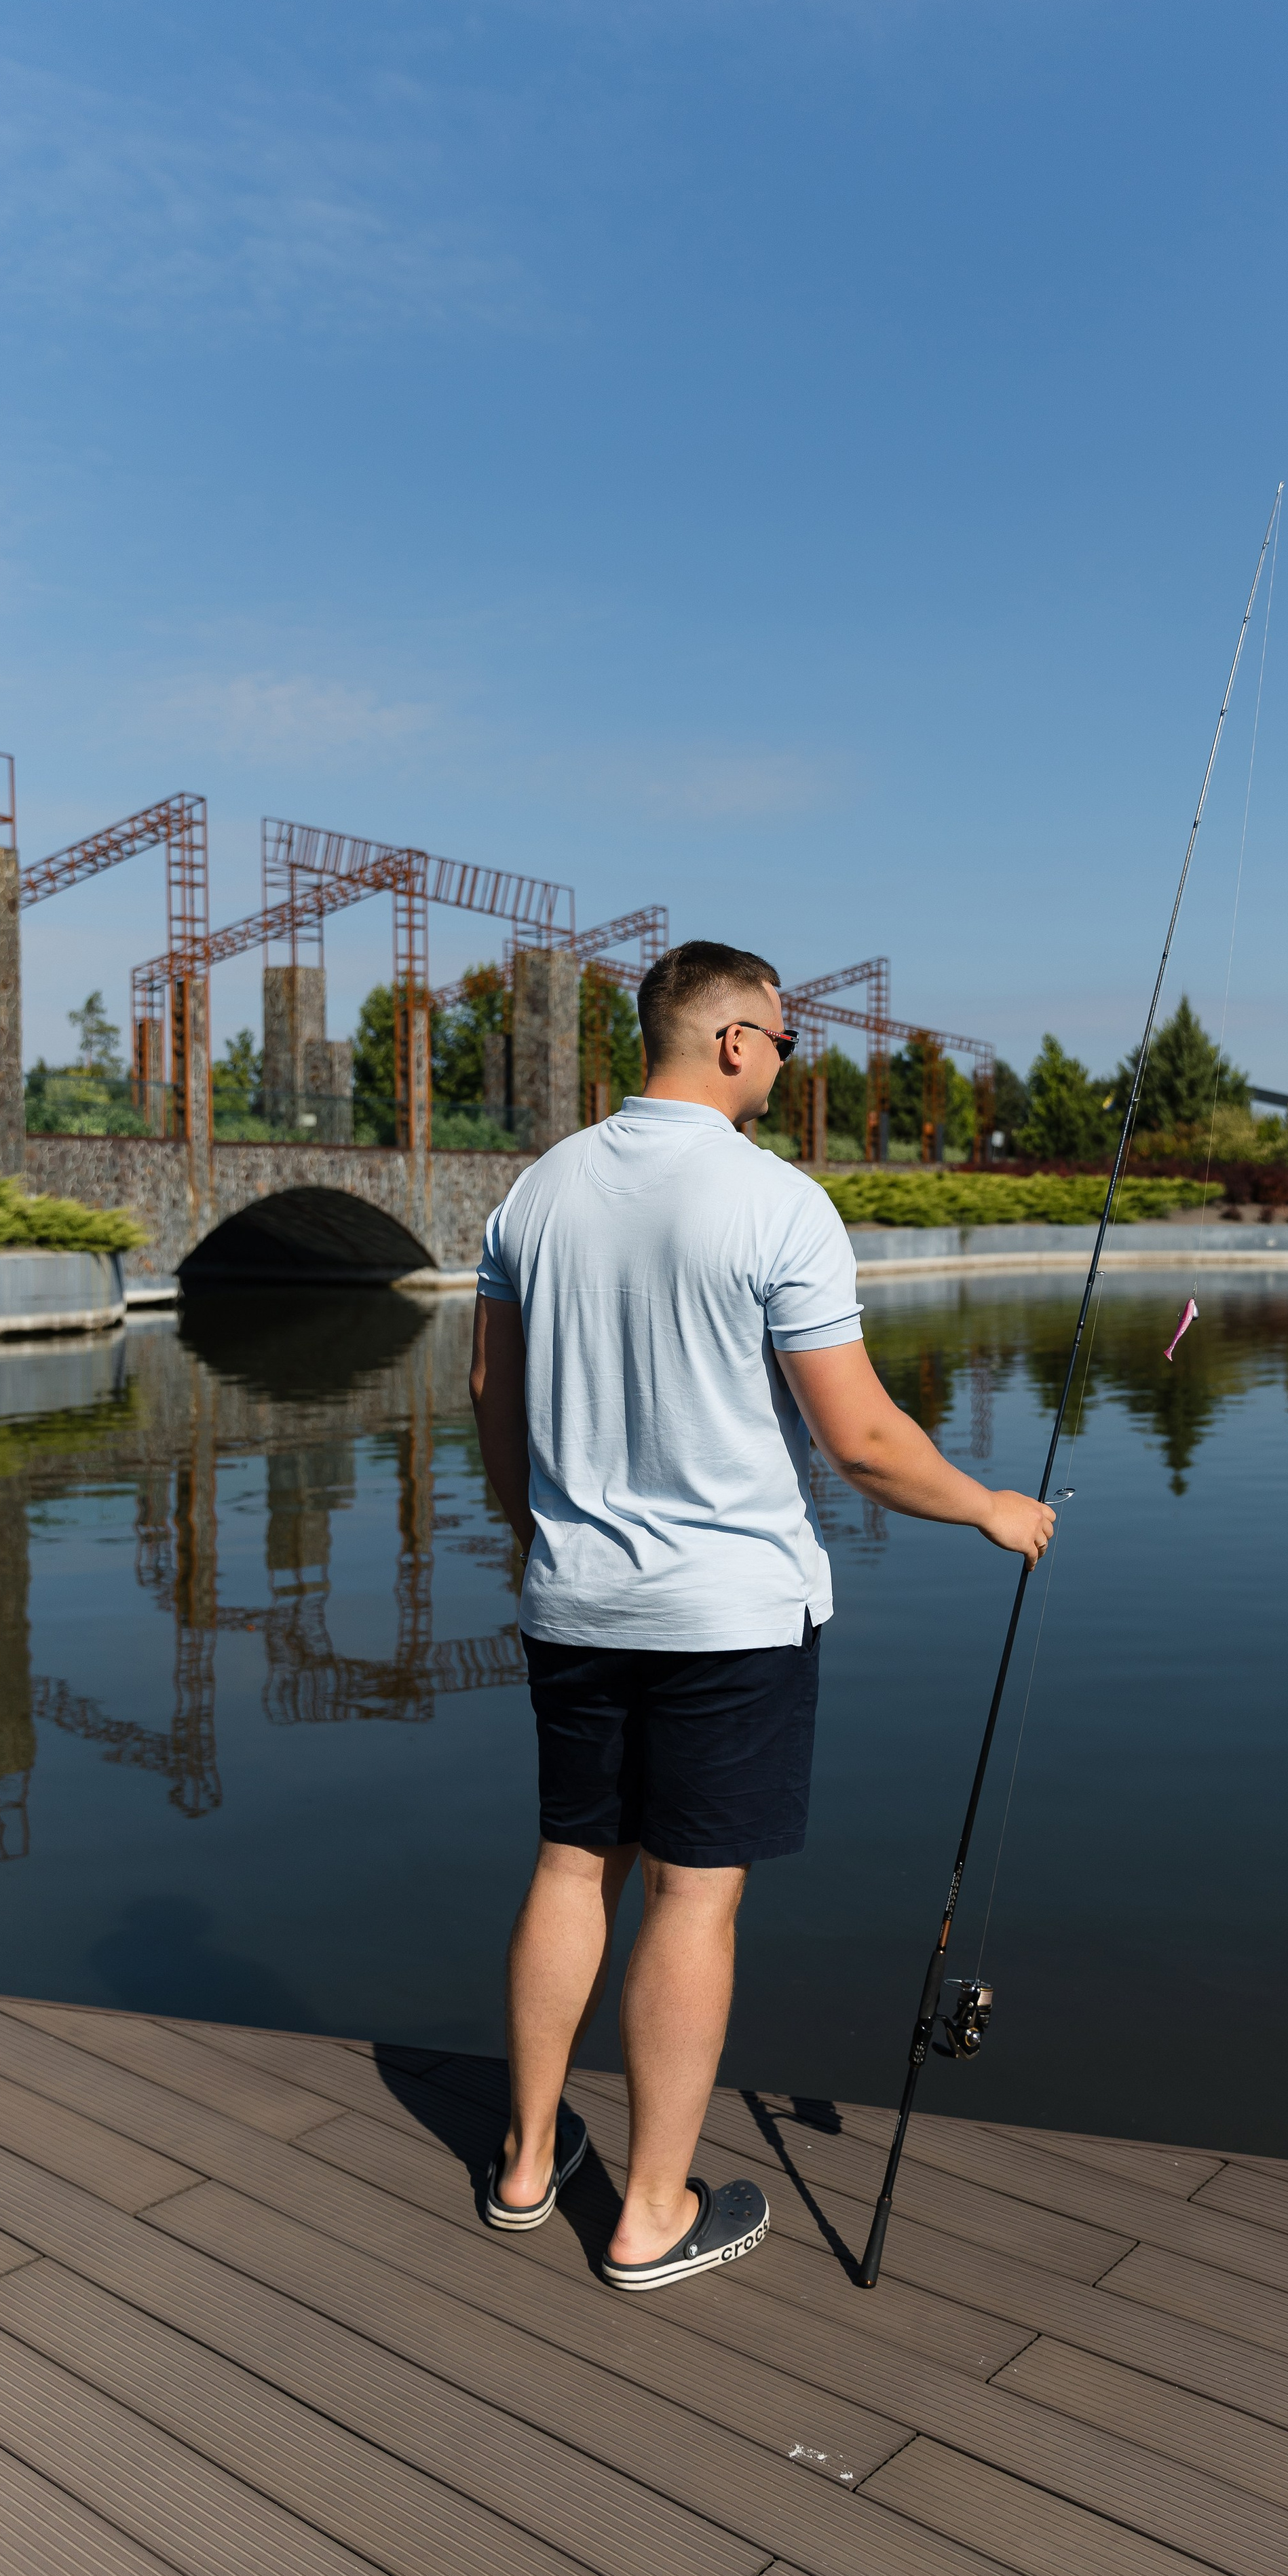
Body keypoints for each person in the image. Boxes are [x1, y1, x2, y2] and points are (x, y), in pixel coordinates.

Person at [468, 939, 1055, 2292]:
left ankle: (522, 2164)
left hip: (574, 1599)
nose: (786, 1066)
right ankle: (650, 2212)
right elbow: (857, 1442)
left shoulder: (533, 1194)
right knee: (689, 1897)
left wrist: (542, 1539)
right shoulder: (773, 1205)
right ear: (733, 1039)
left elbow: (494, 1411)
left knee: (572, 1866)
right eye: (784, 1044)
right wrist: (987, 1507)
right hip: (727, 1616)